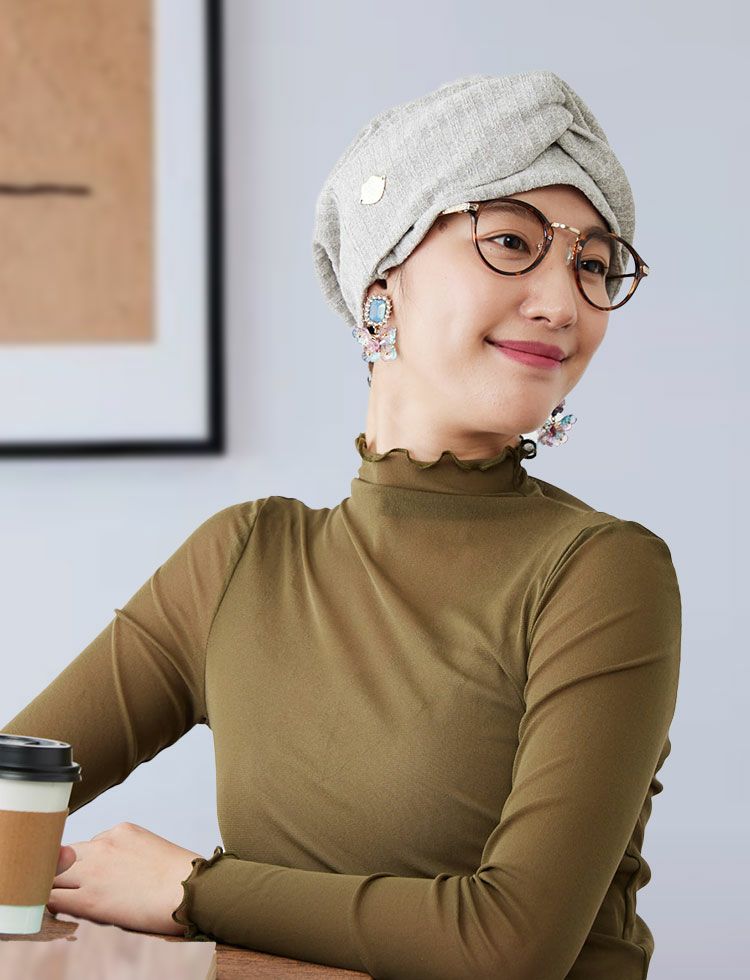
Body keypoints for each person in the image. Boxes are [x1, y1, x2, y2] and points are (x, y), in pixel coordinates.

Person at [1, 70, 681, 979]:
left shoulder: (600, 572)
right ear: (381, 280)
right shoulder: (244, 558)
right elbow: (10, 795)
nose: (563, 303)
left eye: (592, 264)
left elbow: (510, 947)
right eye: (512, 242)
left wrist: (192, 891)